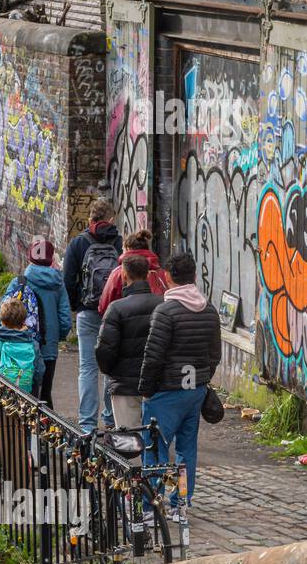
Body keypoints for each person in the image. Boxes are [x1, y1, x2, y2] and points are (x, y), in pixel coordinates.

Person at [137, 251, 221, 521]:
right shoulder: (209, 310)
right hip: (194, 391)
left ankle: (151, 506)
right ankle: (180, 503)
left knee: (155, 448)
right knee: (187, 451)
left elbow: (153, 356)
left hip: (164, 391)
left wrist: (146, 389)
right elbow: (214, 354)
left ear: (167, 277)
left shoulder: (165, 311)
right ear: (194, 277)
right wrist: (202, 379)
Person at [63, 198, 122, 432]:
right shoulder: (118, 242)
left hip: (87, 312)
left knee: (87, 368)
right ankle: (110, 417)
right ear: (111, 219)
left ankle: (87, 423)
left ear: (91, 218)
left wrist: (76, 305)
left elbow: (67, 280)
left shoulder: (78, 244)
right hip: (114, 313)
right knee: (111, 366)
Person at [95, 254, 164, 429]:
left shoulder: (117, 308)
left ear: (124, 275)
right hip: (158, 382)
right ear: (148, 275)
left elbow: (104, 350)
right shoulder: (163, 305)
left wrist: (111, 373)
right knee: (155, 438)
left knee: (129, 442)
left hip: (124, 384)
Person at [0, 297, 45, 480]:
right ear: (24, 321)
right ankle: (22, 458)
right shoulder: (32, 343)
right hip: (23, 394)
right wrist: (33, 391)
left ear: (1, 321)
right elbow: (39, 369)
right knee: (22, 426)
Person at [1, 238, 70, 408]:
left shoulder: (19, 282)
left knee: (22, 392)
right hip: (48, 347)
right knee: (45, 394)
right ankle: (47, 432)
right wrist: (57, 338)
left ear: (30, 257)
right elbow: (65, 320)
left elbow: (1, 313)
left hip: (21, 345)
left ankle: (23, 432)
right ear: (51, 259)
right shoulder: (58, 284)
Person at [97, 228, 170, 315]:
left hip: (125, 323)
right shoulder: (161, 273)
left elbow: (104, 307)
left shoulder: (118, 272)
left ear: (127, 248)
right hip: (157, 324)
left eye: (123, 248)